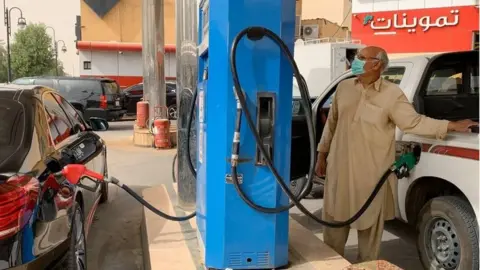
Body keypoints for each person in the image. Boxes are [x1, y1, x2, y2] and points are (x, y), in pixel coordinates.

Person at [315, 46, 478, 263]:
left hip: (372, 176)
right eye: (357, 57)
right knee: (333, 231)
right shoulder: (344, 88)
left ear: (378, 65)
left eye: (363, 58)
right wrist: (321, 154)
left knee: (369, 234)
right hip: (339, 171)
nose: (356, 60)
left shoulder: (392, 94)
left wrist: (451, 126)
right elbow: (331, 124)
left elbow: (413, 122)